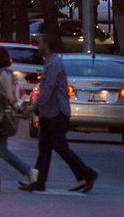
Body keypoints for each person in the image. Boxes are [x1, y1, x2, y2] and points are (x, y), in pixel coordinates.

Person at [25, 32, 97, 194]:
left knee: (59, 147)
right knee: (45, 149)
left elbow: (48, 89)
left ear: (47, 45)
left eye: (40, 43)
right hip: (49, 113)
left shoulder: (54, 64)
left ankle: (88, 173)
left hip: (56, 113)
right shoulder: (50, 63)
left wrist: (33, 106)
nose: (38, 46)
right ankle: (39, 182)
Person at [0, 47, 37, 187]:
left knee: (1, 150)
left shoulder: (4, 75)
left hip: (0, 116)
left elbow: (10, 95)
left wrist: (18, 109)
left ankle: (29, 171)